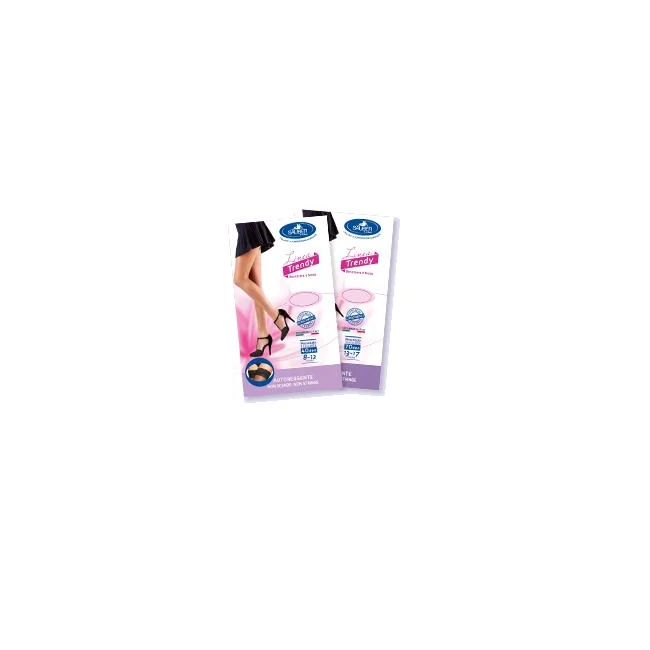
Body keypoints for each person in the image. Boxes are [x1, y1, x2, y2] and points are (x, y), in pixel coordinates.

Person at [233, 221, 294, 356]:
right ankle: (263, 335)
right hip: (247, 228)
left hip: (248, 227)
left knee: (239, 279)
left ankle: (276, 315)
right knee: (255, 285)